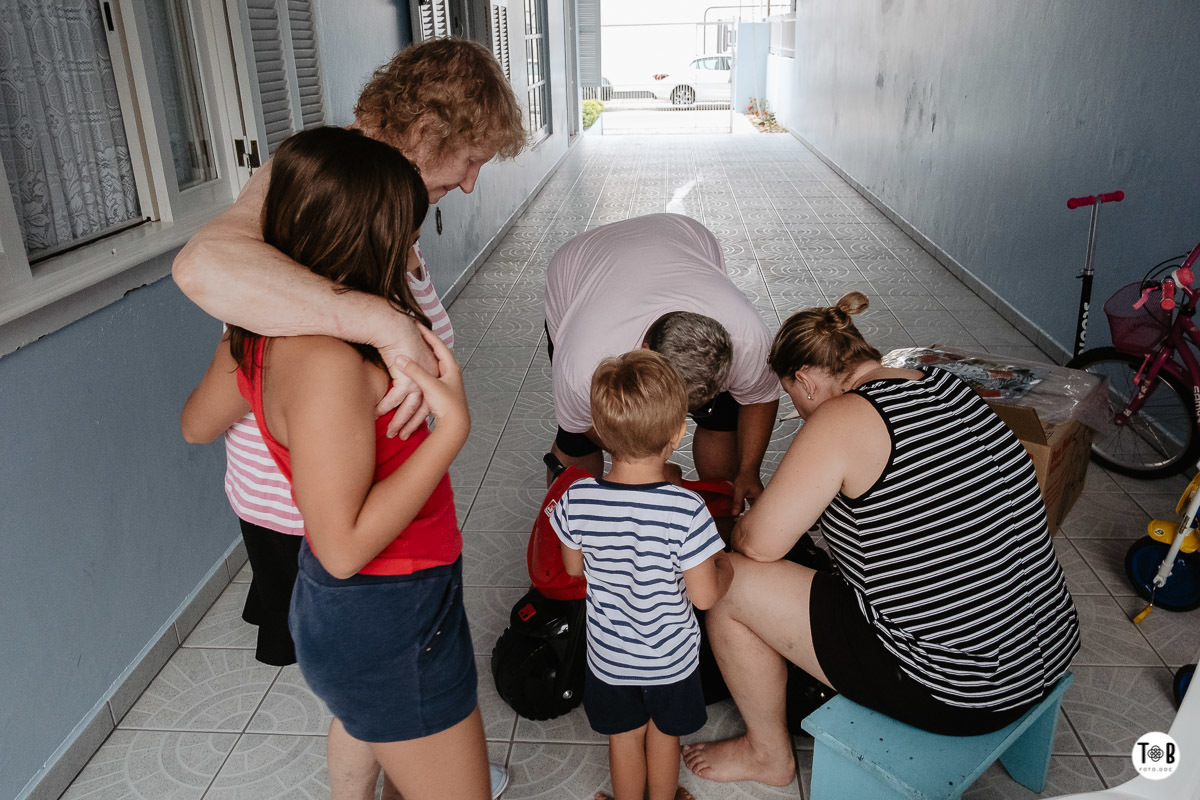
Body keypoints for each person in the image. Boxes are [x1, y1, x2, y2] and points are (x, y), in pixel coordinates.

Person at [174, 37, 522, 799]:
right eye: (468, 160)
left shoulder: (366, 226)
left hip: (372, 540)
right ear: (424, 132)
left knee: (369, 705)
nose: (468, 185)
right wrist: (387, 348)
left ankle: (408, 763)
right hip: (337, 541)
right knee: (379, 688)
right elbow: (203, 279)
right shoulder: (319, 288)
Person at [682, 292, 1080, 786]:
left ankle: (767, 755)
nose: (801, 411)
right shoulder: (946, 383)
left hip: (963, 691)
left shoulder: (844, 416)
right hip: (1045, 649)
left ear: (805, 379)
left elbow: (760, 545)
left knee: (726, 579)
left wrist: (731, 527)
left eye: (793, 396)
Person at [552, 350, 733, 800]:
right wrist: (724, 567)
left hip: (609, 657)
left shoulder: (576, 498)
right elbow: (706, 597)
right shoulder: (687, 511)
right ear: (678, 433)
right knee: (662, 735)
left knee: (624, 737)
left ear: (599, 432)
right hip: (670, 659)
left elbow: (575, 571)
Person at [544, 213, 780, 510]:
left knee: (723, 418)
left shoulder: (749, 340)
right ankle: (567, 525)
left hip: (680, 235)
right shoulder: (584, 366)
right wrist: (647, 468)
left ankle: (721, 513)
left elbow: (760, 398)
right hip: (577, 268)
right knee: (577, 442)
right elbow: (585, 424)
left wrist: (749, 471)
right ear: (644, 351)